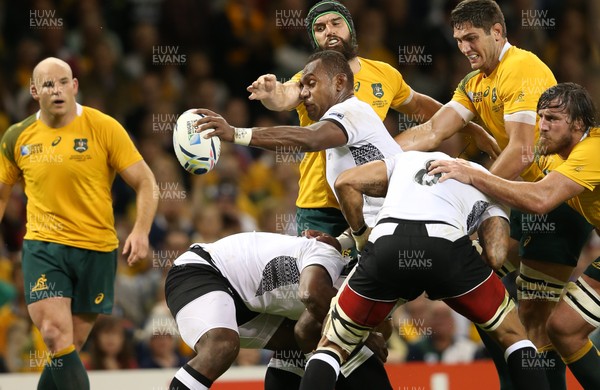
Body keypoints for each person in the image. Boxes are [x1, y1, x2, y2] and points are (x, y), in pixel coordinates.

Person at [394, 1, 593, 387]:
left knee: (537, 322)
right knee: (476, 285)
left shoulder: (522, 68)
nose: (464, 47)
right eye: (458, 40)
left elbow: (521, 152)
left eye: (472, 38)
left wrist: (472, 197)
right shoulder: (474, 83)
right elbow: (433, 131)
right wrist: (379, 159)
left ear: (498, 32)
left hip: (554, 201)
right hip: (520, 198)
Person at [298, 150, 550, 390]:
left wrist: (362, 236)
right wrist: (453, 277)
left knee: (331, 346)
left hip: (387, 245)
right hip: (447, 249)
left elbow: (345, 183)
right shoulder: (484, 179)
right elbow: (496, 257)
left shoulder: (406, 159)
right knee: (514, 336)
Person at [247, 0, 497, 240]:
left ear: (350, 29)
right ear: (314, 40)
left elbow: (421, 105)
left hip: (375, 202)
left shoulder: (384, 73)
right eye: (320, 28)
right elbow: (284, 96)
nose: (329, 32)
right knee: (320, 282)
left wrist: (470, 129)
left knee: (380, 280)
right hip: (322, 207)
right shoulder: (307, 78)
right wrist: (271, 94)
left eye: (336, 23)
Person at [428, 82, 600, 389]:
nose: (542, 127)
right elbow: (524, 175)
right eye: (540, 117)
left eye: (551, 119)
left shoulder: (592, 152)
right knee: (561, 327)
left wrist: (475, 174)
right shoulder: (558, 150)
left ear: (577, 123)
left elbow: (540, 199)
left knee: (561, 326)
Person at [0, 57, 158, 389]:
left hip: (97, 250)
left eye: (62, 82)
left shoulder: (104, 127)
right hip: (44, 247)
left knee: (68, 346)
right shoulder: (17, 136)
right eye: (47, 84)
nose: (56, 90)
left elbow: (146, 182)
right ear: (33, 91)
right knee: (54, 334)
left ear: (74, 86)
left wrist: (141, 230)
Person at [164, 231, 389, 390]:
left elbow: (307, 330)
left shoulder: (349, 280)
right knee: (221, 345)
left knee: (311, 343)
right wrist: (364, 338)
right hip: (201, 271)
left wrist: (360, 337)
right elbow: (311, 294)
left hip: (246, 302)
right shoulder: (327, 256)